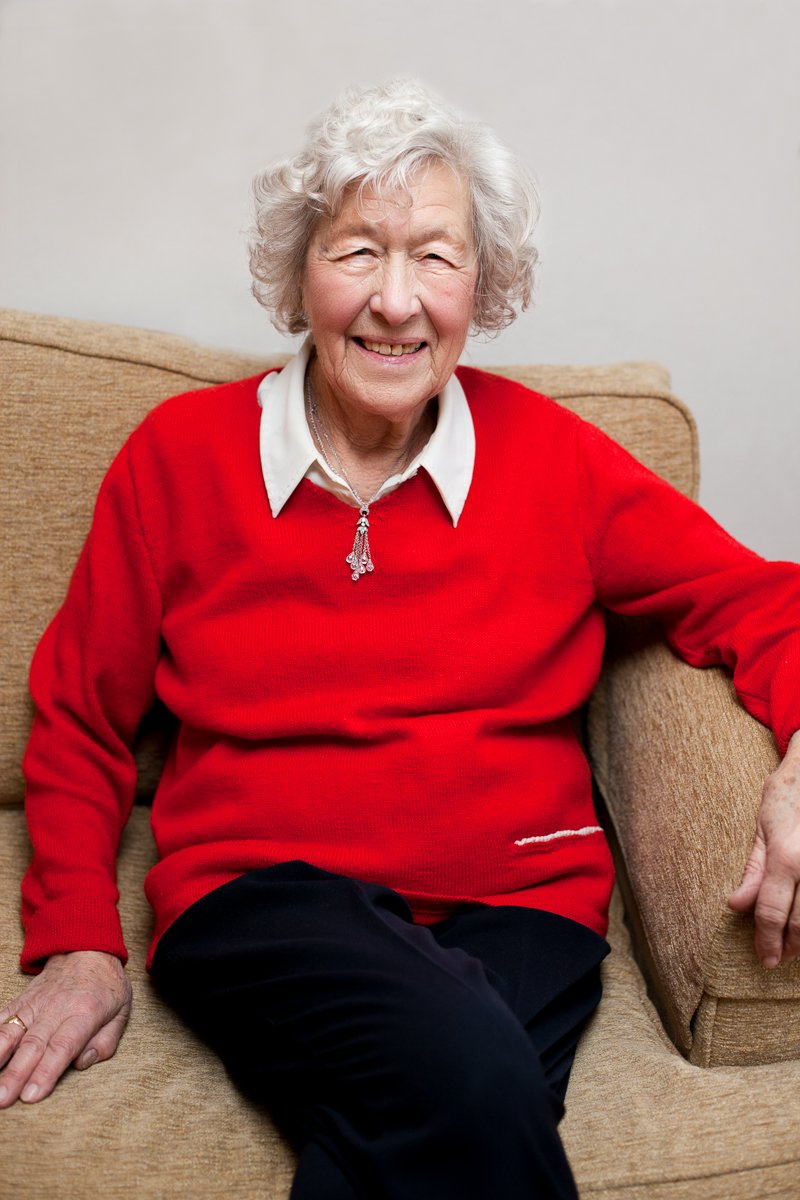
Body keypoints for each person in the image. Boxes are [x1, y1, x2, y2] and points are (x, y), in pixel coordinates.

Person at [1, 78, 799, 1199]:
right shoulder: (178, 459)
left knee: (417, 1131)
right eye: (356, 251)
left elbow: (761, 599)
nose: (395, 300)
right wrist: (79, 939)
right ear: (298, 275)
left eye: (435, 256)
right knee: (475, 1069)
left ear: (483, 284)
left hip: (519, 904)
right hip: (260, 898)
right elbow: (81, 716)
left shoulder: (559, 464)